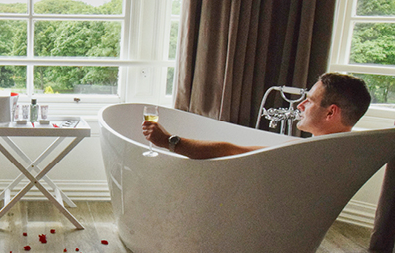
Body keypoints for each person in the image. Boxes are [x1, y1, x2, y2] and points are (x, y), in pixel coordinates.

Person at [142, 72, 372, 160]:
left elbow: (227, 151)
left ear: (331, 112)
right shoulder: (347, 151)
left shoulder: (309, 154)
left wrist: (167, 141)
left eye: (309, 100)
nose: (300, 105)